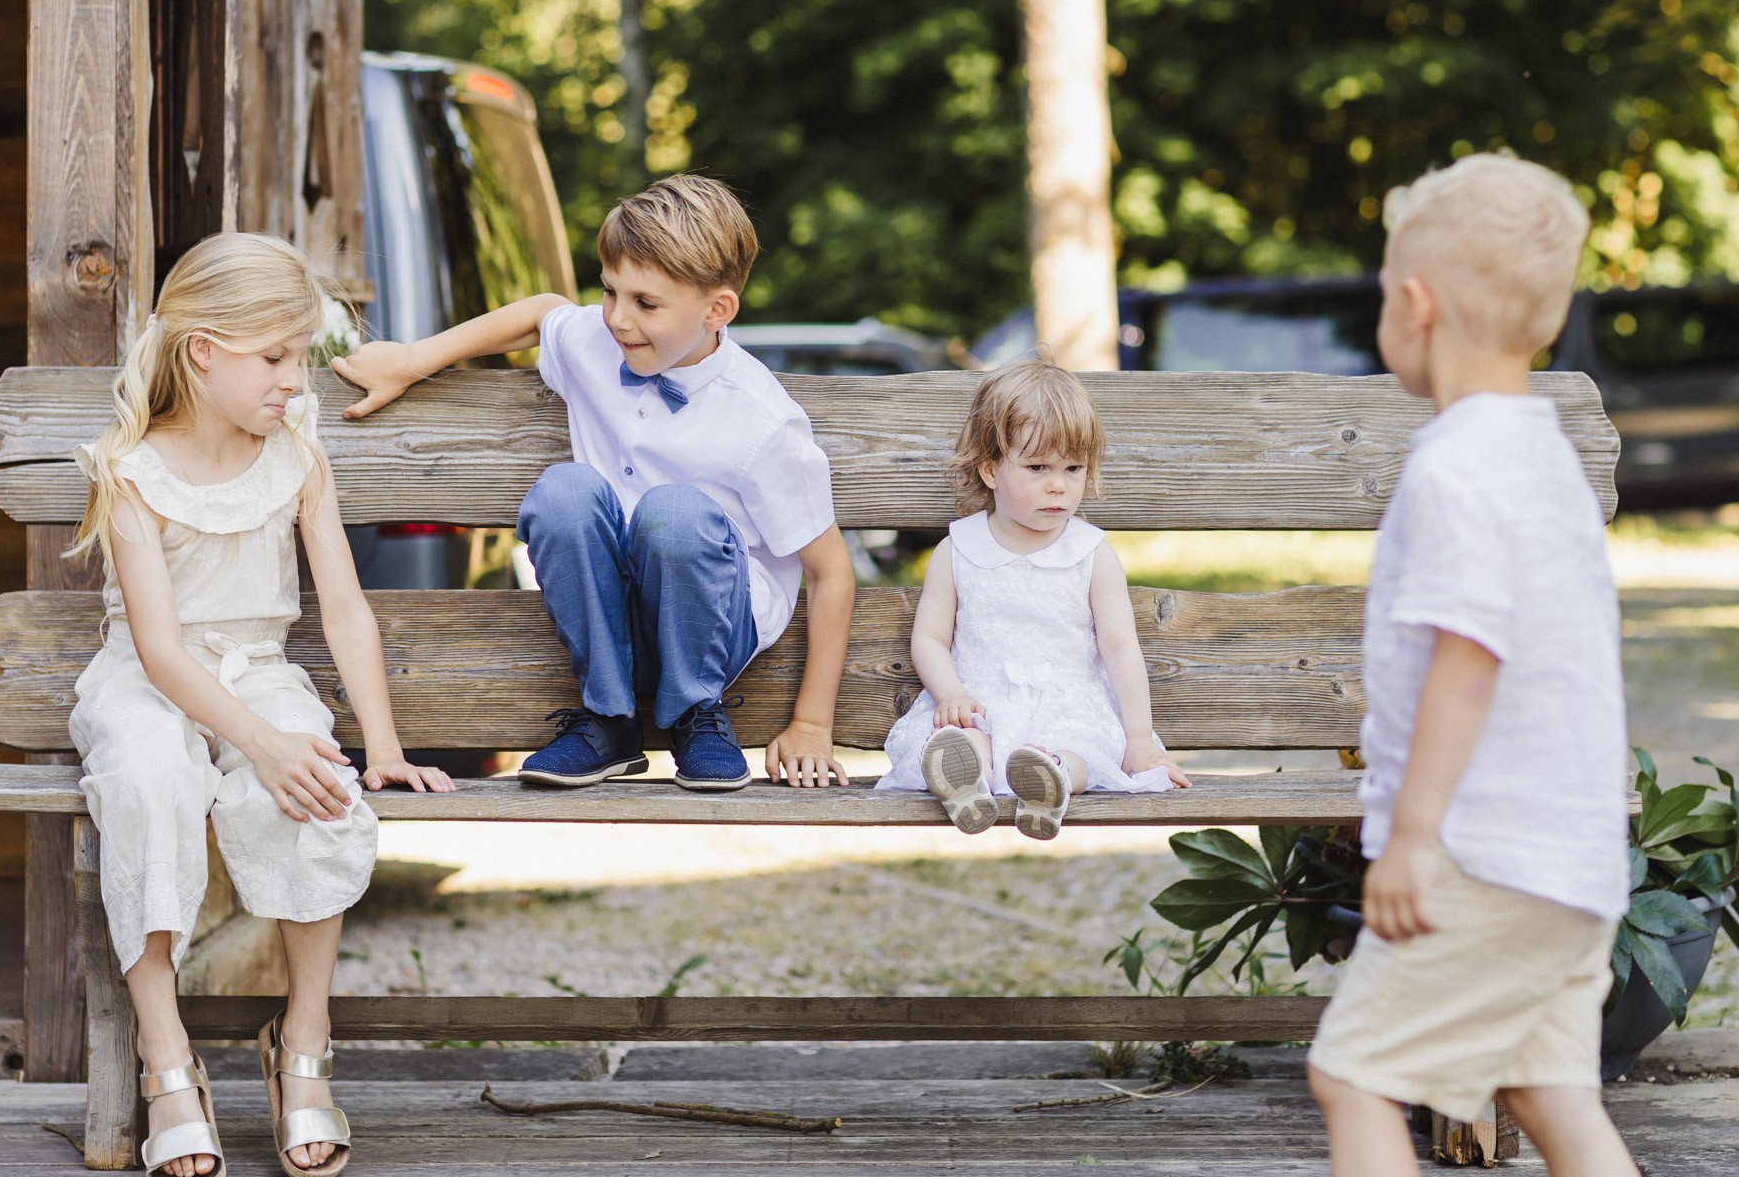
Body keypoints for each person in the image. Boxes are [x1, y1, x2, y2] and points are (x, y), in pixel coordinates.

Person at [69, 232, 455, 1177]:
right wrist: (256, 742)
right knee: (151, 778)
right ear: (203, 351)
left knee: (314, 783)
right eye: (275, 357)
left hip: (260, 672)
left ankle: (304, 1045)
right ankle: (166, 1061)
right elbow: (159, 650)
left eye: (300, 355)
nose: (295, 378)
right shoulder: (131, 473)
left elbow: (346, 606)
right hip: (149, 684)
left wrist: (381, 744)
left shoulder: (297, 452)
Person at [1306, 155, 1638, 1177]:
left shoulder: (1456, 466)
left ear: (1415, 306)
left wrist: (1411, 839)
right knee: (1551, 1092)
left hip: (1482, 856)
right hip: (1571, 864)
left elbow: (1468, 659)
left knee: (1355, 1073)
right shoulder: (1540, 454)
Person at [334, 174, 855, 792]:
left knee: (676, 513)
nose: (617, 319)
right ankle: (609, 720)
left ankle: (694, 714)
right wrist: (411, 360)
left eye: (646, 304)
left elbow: (831, 573)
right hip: (609, 618)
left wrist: (812, 722)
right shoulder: (596, 343)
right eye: (610, 292)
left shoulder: (762, 421)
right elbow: (540, 313)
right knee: (564, 492)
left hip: (710, 622)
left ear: (717, 310)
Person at [873, 361, 1190, 839]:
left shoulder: (1091, 554)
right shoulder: (958, 549)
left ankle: (1053, 779)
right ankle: (965, 780)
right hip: (978, 701)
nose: (1058, 484)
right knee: (962, 741)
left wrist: (1140, 738)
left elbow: (1121, 648)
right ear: (991, 469)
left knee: (1082, 750)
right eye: (1038, 467)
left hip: (1067, 702)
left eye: (1072, 468)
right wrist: (951, 694)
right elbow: (931, 638)